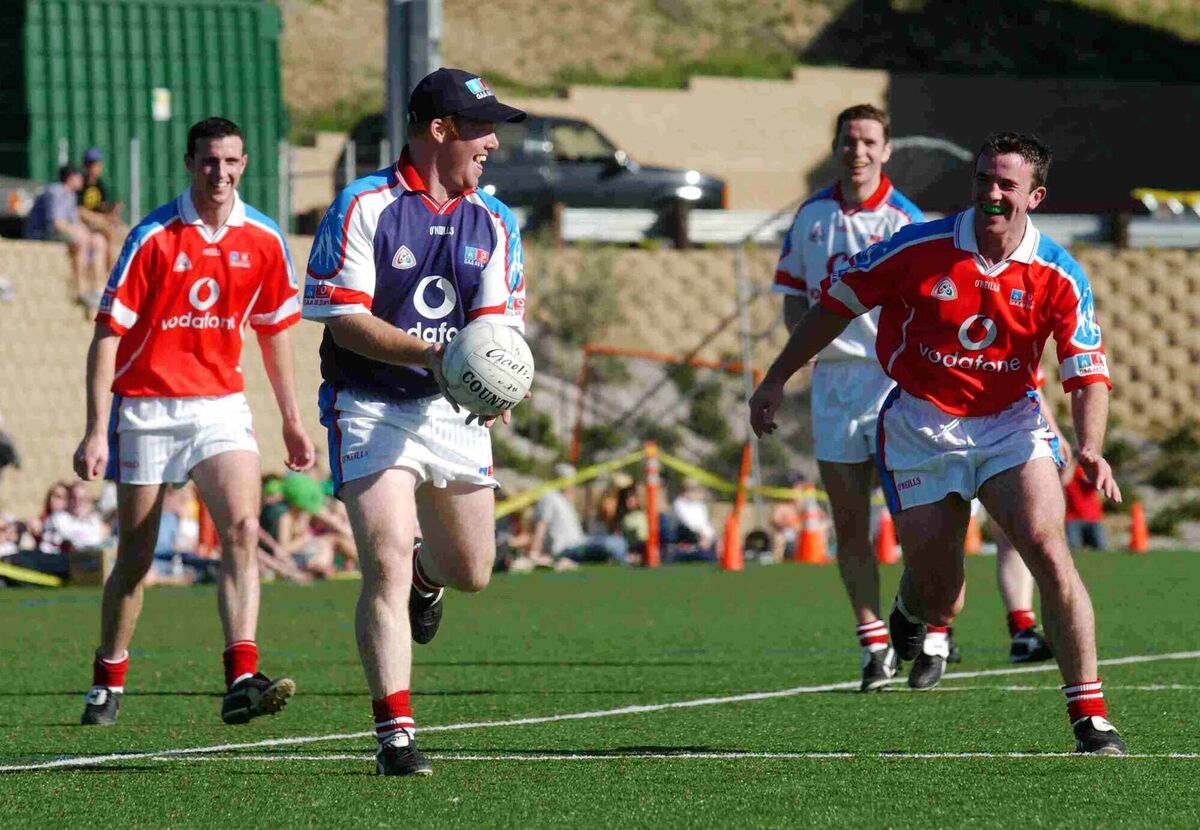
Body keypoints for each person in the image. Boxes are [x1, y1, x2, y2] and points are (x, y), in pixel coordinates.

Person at [750, 132, 1127, 755]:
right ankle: (908, 608)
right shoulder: (917, 248)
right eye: (983, 180)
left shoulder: (1059, 273)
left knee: (1046, 546)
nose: (992, 194)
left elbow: (1087, 372)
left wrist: (1090, 445)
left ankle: (1090, 716)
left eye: (1007, 184)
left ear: (1034, 196)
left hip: (1011, 423)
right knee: (940, 592)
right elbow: (834, 305)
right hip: (920, 426)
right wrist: (775, 376)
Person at [301, 67, 528, 777]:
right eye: (480, 129)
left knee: (473, 571)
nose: (492, 143)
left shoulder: (494, 220)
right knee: (387, 555)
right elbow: (345, 322)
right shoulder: (364, 205)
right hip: (368, 404)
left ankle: (434, 579)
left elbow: (494, 329)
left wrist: (496, 379)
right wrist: (438, 355)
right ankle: (395, 734)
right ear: (440, 131)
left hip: (450, 408)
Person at [72, 116, 315, 728]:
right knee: (136, 556)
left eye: (231, 162)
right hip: (148, 408)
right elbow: (107, 336)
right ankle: (109, 674)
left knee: (240, 527)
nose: (220, 173)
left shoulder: (263, 238)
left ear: (245, 163)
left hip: (219, 408)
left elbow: (275, 334)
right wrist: (97, 427)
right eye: (209, 161)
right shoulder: (153, 237)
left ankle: (239, 679)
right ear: (189, 163)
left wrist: (291, 418)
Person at [771, 104, 935, 691]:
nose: (857, 150)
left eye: (869, 141)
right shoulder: (812, 214)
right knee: (848, 522)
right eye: (848, 140)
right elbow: (792, 291)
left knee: (917, 522)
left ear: (887, 150)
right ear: (836, 145)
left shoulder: (905, 220)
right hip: (833, 385)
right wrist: (801, 348)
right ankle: (873, 647)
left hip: (893, 383)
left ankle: (927, 631)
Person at [25, 164, 108, 308]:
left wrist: (88, 234)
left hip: (59, 233)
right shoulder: (55, 192)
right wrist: (80, 233)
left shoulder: (70, 195)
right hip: (41, 234)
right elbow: (56, 223)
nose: (82, 179)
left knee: (98, 241)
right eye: (79, 176)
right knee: (81, 240)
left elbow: (74, 222)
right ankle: (80, 289)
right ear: (71, 178)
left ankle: (97, 288)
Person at [77, 147, 128, 272]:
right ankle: (113, 271)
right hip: (86, 220)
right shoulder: (80, 183)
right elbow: (79, 210)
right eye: (91, 165)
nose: (94, 168)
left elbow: (102, 207)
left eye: (96, 165)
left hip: (98, 220)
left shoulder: (100, 184)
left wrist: (113, 211)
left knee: (124, 230)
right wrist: (102, 218)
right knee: (112, 232)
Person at [1062, 459, 1108, 550]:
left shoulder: (1088, 470)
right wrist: (1073, 463)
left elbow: (1095, 482)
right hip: (1072, 518)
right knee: (1074, 548)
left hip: (1093, 518)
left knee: (1101, 547)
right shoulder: (1068, 472)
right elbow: (1064, 481)